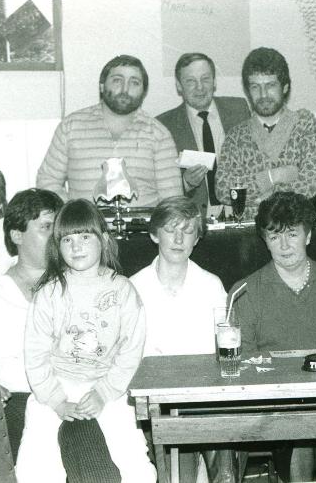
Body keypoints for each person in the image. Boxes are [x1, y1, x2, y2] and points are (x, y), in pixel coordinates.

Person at [0, 188, 119, 481]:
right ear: (16, 235)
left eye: (57, 229)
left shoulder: (82, 286)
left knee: (82, 426)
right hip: (14, 403)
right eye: (45, 228)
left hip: (76, 396)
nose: (56, 238)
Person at [16, 199, 156, 483]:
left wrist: (104, 393)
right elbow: (35, 354)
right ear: (57, 246)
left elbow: (131, 352)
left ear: (103, 240)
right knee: (33, 468)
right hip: (57, 381)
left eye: (84, 236)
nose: (76, 246)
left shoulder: (124, 290)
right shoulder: (49, 293)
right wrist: (56, 401)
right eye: (67, 239)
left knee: (137, 466)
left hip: (108, 385)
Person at [232, 191, 316, 481]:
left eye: (292, 234)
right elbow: (244, 362)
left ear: (309, 235)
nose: (284, 245)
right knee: (298, 426)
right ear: (264, 241)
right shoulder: (246, 292)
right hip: (277, 402)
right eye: (274, 236)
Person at [130, 195, 230, 483]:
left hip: (202, 399)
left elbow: (223, 349)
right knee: (177, 471)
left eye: (187, 231)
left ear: (196, 239)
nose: (178, 238)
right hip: (154, 402)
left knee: (224, 461)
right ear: (153, 234)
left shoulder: (211, 286)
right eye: (170, 229)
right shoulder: (133, 287)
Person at [37, 55, 183, 207]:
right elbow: (47, 181)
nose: (125, 89)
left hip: (144, 229)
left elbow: (172, 200)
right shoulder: (71, 126)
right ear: (101, 86)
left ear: (143, 91)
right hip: (86, 229)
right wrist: (73, 215)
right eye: (117, 80)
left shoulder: (159, 134)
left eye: (134, 83)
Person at [215, 47, 316, 209]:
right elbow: (223, 190)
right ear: (248, 90)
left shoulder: (304, 124)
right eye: (255, 87)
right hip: (251, 230)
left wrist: (269, 197)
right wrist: (274, 176)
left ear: (285, 87)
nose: (263, 94)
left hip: (296, 228)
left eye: (270, 85)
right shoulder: (236, 136)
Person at [157, 53, 250, 217]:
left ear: (214, 81)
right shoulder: (165, 125)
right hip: (196, 221)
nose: (199, 87)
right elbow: (160, 188)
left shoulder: (239, 110)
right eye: (190, 81)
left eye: (205, 79)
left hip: (242, 214)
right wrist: (186, 183)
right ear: (179, 86)